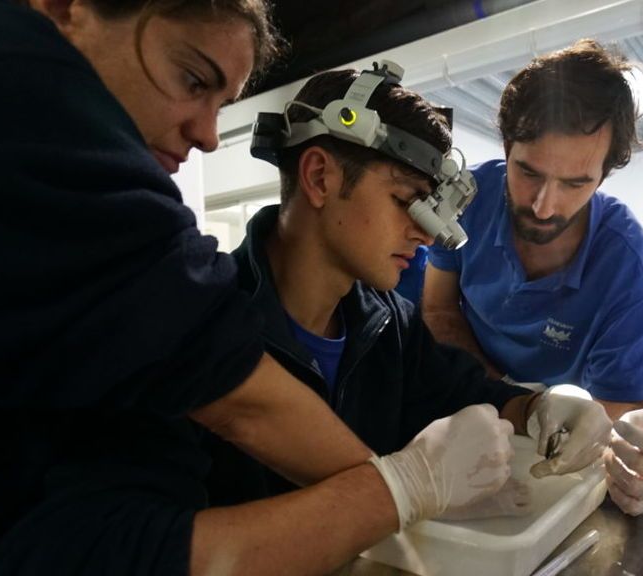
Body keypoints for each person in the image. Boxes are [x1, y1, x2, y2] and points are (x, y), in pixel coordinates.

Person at [0, 1, 514, 574]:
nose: (208, 136)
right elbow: (107, 532)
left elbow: (456, 394)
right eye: (191, 77)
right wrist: (401, 492)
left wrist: (539, 409)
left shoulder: (388, 323)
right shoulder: (165, 311)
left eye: (222, 102)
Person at [217, 64, 616, 509]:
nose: (426, 235)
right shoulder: (206, 323)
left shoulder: (389, 324)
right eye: (407, 200)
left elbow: (470, 394)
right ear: (319, 177)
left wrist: (541, 410)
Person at [423, 40, 643, 516]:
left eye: (575, 184)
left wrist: (637, 460)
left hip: (555, 446)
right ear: (506, 148)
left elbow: (616, 411)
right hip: (467, 404)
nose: (544, 206)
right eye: (527, 172)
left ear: (604, 176)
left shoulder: (627, 267)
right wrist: (507, 399)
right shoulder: (468, 202)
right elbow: (437, 308)